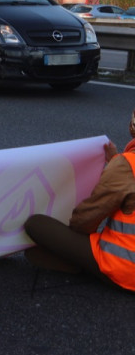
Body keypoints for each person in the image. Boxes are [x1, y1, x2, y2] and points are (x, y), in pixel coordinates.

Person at [23, 109, 135, 289]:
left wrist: (74, 237)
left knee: (35, 225)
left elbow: (86, 219)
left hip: (127, 271)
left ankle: (82, 266)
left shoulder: (127, 165)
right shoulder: (124, 165)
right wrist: (115, 160)